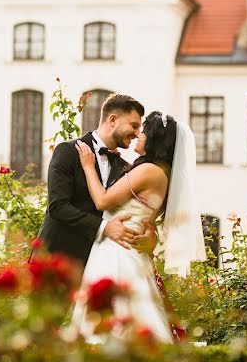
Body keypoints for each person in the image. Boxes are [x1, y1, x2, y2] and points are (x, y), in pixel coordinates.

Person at [70, 111, 205, 343]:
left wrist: (88, 166)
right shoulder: (161, 173)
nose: (137, 135)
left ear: (154, 139)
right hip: (130, 249)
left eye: (143, 131)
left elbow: (103, 201)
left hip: (118, 249)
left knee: (113, 321)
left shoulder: (148, 171)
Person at [35, 94, 155, 269]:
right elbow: (57, 206)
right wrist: (104, 227)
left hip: (96, 266)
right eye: (134, 126)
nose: (138, 134)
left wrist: (150, 234)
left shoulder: (126, 169)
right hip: (55, 260)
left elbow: (136, 209)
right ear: (113, 119)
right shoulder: (68, 151)